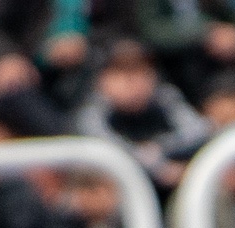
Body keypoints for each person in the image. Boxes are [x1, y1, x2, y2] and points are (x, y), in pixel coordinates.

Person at [73, 39, 207, 193]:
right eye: (122, 73)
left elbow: (198, 130)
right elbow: (100, 139)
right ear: (102, 80)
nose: (134, 83)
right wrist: (155, 166)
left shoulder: (164, 98)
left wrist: (160, 148)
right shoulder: (91, 110)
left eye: (142, 72)